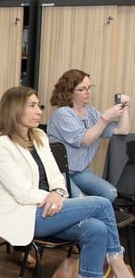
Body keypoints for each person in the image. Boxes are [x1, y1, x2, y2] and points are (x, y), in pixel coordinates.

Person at [0, 86, 135, 278]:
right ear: (15, 110)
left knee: (96, 229)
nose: (39, 110)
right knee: (101, 203)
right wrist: (52, 197)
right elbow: (21, 193)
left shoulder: (39, 137)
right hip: (26, 215)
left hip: (52, 209)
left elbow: (58, 176)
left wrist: (57, 192)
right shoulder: (0, 145)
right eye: (32, 105)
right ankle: (122, 274)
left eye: (38, 105)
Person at [47, 69, 129, 202]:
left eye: (89, 87)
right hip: (59, 172)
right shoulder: (62, 114)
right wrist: (105, 118)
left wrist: (123, 107)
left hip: (79, 171)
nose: (88, 92)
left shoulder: (91, 113)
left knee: (110, 192)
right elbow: (84, 140)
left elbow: (122, 130)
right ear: (69, 92)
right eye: (82, 89)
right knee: (81, 200)